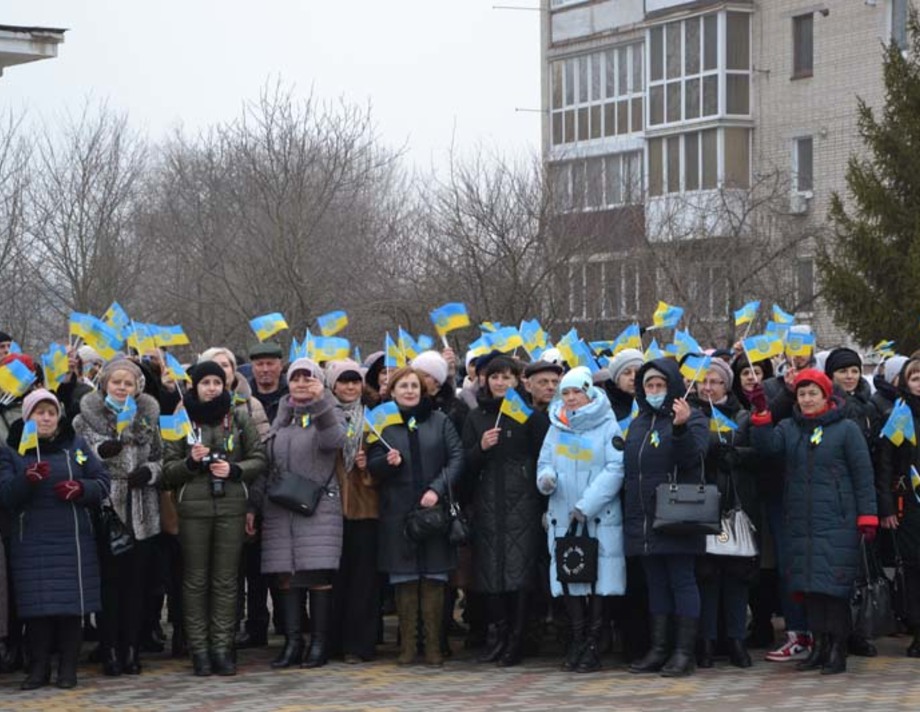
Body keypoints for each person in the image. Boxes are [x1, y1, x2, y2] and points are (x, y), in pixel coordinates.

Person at [748, 368, 878, 674]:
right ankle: (818, 647)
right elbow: (767, 447)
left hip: (837, 521)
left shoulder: (846, 429)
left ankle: (837, 649)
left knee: (833, 590)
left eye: (813, 394)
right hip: (801, 523)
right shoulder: (790, 428)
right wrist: (762, 412)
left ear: (826, 396)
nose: (806, 400)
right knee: (810, 588)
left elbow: (863, 475)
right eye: (802, 394)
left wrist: (867, 515)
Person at [0, 389, 111, 690]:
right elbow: (6, 495)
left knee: (70, 607)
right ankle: (38, 669)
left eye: (51, 412)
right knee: (38, 608)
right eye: (40, 413)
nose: (46, 418)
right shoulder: (12, 450)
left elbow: (102, 482)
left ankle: (67, 668)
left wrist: (81, 488)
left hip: (73, 539)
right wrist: (27, 480)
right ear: (27, 417)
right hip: (31, 538)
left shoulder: (75, 445)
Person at [162, 361, 267, 677]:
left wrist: (235, 470)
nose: (211, 388)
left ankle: (223, 647)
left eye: (216, 382)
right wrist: (190, 464)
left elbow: (259, 457)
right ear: (194, 386)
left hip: (231, 506)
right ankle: (200, 650)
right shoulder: (179, 420)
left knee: (225, 580)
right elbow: (166, 471)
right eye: (205, 382)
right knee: (195, 580)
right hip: (192, 509)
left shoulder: (238, 416)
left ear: (225, 385)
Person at [247, 358, 346, 670]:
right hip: (280, 510)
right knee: (286, 577)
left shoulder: (330, 412)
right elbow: (267, 462)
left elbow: (334, 440)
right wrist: (253, 505)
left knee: (316, 577)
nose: (302, 383)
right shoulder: (282, 417)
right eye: (296, 378)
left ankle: (319, 643)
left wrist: (319, 404)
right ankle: (293, 642)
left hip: (316, 509)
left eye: (309, 377)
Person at [367, 366, 464, 667]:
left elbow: (457, 457)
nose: (409, 391)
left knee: (435, 576)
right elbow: (371, 465)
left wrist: (437, 489)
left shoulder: (440, 420)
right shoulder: (382, 423)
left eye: (414, 386)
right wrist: (387, 462)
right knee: (404, 577)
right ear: (392, 391)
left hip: (433, 511)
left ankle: (434, 646)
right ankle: (408, 646)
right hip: (397, 510)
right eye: (403, 386)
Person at [72, 358, 163, 677]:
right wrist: (103, 452)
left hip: (141, 509)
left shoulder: (149, 415)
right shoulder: (84, 419)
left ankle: (131, 649)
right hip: (107, 508)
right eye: (117, 383)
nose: (122, 388)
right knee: (109, 587)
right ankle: (109, 649)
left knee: (137, 587)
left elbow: (160, 457)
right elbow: (79, 456)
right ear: (105, 384)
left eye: (129, 384)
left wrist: (149, 472)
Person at [536, 366, 625, 674]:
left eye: (577, 392)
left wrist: (587, 505)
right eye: (567, 393)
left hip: (598, 517)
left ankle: (594, 642)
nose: (571, 398)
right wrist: (546, 479)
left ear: (589, 393)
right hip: (563, 515)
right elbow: (546, 461)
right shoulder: (556, 425)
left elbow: (615, 469)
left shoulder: (607, 424)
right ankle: (577, 638)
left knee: (599, 578)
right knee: (570, 576)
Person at [625, 358, 709, 678]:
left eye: (661, 385)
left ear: (673, 386)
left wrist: (680, 427)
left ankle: (684, 651)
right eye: (650, 385)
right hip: (643, 517)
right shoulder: (638, 422)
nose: (655, 391)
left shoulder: (693, 417)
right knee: (656, 582)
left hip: (678, 512)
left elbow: (693, 456)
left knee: (681, 580)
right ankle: (659, 648)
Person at [462, 356, 549, 667]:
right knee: (490, 575)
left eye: (507, 377)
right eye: (494, 377)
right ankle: (497, 634)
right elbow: (464, 465)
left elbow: (544, 458)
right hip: (487, 505)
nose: (500, 382)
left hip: (521, 505)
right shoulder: (475, 418)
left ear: (517, 381)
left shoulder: (530, 417)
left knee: (519, 574)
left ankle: (517, 637)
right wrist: (480, 448)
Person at [198, 346, 271, 650]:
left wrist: (251, 501)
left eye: (226, 366)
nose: (220, 373)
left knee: (245, 571)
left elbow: (261, 456)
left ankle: (249, 628)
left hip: (242, 498)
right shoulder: (185, 410)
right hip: (200, 505)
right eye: (213, 368)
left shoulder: (249, 407)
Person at [690, 359, 757, 668]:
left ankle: (736, 640)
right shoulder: (688, 414)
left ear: (726, 386)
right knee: (706, 577)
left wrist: (737, 455)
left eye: (715, 381)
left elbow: (760, 451)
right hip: (699, 508)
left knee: (736, 578)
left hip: (733, 507)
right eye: (704, 381)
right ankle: (705, 641)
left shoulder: (742, 417)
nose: (708, 387)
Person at [326, 359, 380, 663]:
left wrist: (369, 467)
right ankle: (333, 640)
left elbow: (388, 457)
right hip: (331, 507)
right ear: (332, 385)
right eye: (343, 381)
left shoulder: (375, 416)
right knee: (336, 579)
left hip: (365, 506)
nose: (349, 387)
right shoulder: (323, 415)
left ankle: (359, 644)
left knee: (364, 581)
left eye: (355, 381)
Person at [876, 357, 920, 657]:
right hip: (910, 505)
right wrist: (888, 507)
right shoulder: (899, 416)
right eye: (915, 377)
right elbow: (885, 464)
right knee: (914, 568)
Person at [247, 342, 288, 424]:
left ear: (280, 366)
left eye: (270, 364)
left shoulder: (291, 395)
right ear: (252, 368)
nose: (265, 369)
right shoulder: (244, 396)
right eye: (260, 364)